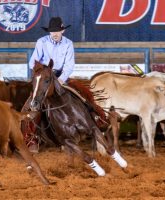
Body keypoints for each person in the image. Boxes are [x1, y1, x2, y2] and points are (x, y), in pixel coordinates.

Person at [21, 17, 107, 153]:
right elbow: (33, 62)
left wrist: (61, 79)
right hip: (44, 77)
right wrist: (43, 72)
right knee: (32, 106)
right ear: (49, 32)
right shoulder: (41, 42)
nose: (55, 34)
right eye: (52, 31)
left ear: (63, 30)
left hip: (61, 77)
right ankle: (33, 138)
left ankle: (97, 117)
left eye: (58, 31)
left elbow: (69, 65)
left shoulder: (68, 44)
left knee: (82, 93)